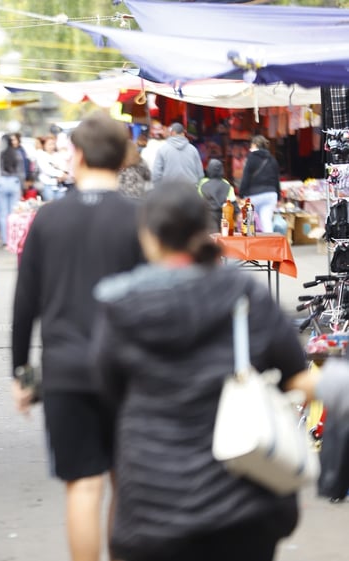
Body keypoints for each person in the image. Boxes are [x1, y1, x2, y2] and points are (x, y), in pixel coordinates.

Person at [90, 185, 326, 561]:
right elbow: (297, 377)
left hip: (153, 506)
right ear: (205, 229)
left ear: (148, 236)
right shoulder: (244, 293)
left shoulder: (119, 304)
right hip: (243, 506)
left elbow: (106, 392)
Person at [11, 111, 144, 561]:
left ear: (81, 155)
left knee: (83, 486)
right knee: (126, 484)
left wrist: (20, 374)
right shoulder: (140, 219)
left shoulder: (48, 220)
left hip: (66, 369)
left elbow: (24, 302)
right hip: (128, 371)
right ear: (123, 158)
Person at [239, 135, 281, 233]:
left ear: (254, 145)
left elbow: (246, 178)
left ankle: (249, 243)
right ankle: (269, 244)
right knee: (266, 221)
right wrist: (278, 196)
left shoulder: (251, 158)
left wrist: (241, 194)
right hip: (270, 194)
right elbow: (276, 180)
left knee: (249, 222)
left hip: (254, 196)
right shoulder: (272, 159)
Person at [151, 122, 204, 190]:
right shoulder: (193, 150)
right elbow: (200, 174)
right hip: (190, 190)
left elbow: (156, 174)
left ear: (172, 133)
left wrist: (160, 191)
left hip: (169, 191)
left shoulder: (162, 150)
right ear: (183, 133)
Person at [0, 135, 25, 246]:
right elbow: (21, 172)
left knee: (3, 213)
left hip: (1, 182)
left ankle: (5, 240)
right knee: (14, 213)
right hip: (14, 182)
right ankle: (15, 239)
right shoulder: (17, 153)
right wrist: (22, 187)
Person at [198, 158, 238, 233]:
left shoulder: (203, 183)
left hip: (208, 217)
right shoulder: (226, 184)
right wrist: (237, 214)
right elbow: (233, 202)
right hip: (224, 217)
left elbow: (198, 202)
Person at [35, 135, 70, 201]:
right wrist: (61, 174)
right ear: (44, 145)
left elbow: (64, 167)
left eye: (53, 144)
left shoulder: (57, 155)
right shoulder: (41, 155)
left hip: (60, 186)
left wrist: (64, 174)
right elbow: (47, 170)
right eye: (49, 144)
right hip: (47, 186)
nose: (52, 146)